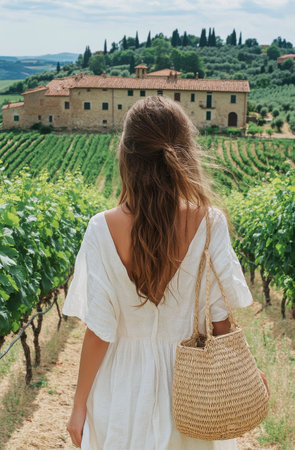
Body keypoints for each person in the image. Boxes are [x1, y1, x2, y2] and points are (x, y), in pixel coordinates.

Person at [62, 96, 269, 449]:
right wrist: (249, 372)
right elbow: (220, 321)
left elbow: (99, 330)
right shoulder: (209, 221)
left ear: (126, 155)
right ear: (185, 153)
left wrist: (78, 405)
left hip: (122, 390)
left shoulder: (101, 229)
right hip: (195, 393)